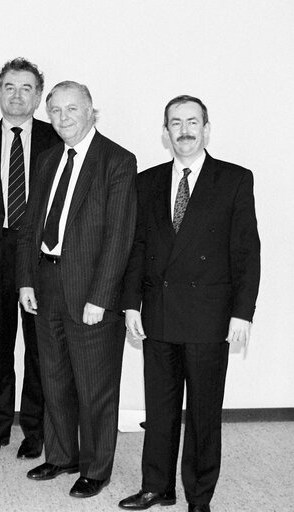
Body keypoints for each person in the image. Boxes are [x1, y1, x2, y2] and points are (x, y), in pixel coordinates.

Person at [118, 96, 260, 512]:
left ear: (207, 128)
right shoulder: (147, 181)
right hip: (158, 312)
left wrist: (242, 313)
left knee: (202, 413)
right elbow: (137, 248)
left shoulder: (234, 179)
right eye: (175, 122)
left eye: (192, 121)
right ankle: (156, 487)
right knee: (160, 409)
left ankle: (199, 497)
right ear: (165, 132)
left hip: (210, 317)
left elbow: (246, 253)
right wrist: (131, 305)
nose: (184, 129)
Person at [16, 81, 137, 498]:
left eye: (72, 109)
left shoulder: (117, 161)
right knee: (53, 378)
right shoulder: (48, 159)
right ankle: (62, 455)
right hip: (45, 282)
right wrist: (26, 280)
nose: (64, 118)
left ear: (91, 112)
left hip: (91, 292)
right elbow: (30, 225)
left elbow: (119, 236)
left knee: (95, 386)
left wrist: (101, 298)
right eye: (56, 111)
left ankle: (96, 467)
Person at [0, 58, 60, 460]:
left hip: (39, 258)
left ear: (38, 96)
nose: (17, 95)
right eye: (9, 87)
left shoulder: (55, 139)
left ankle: (34, 429)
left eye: (26, 88)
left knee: (38, 348)